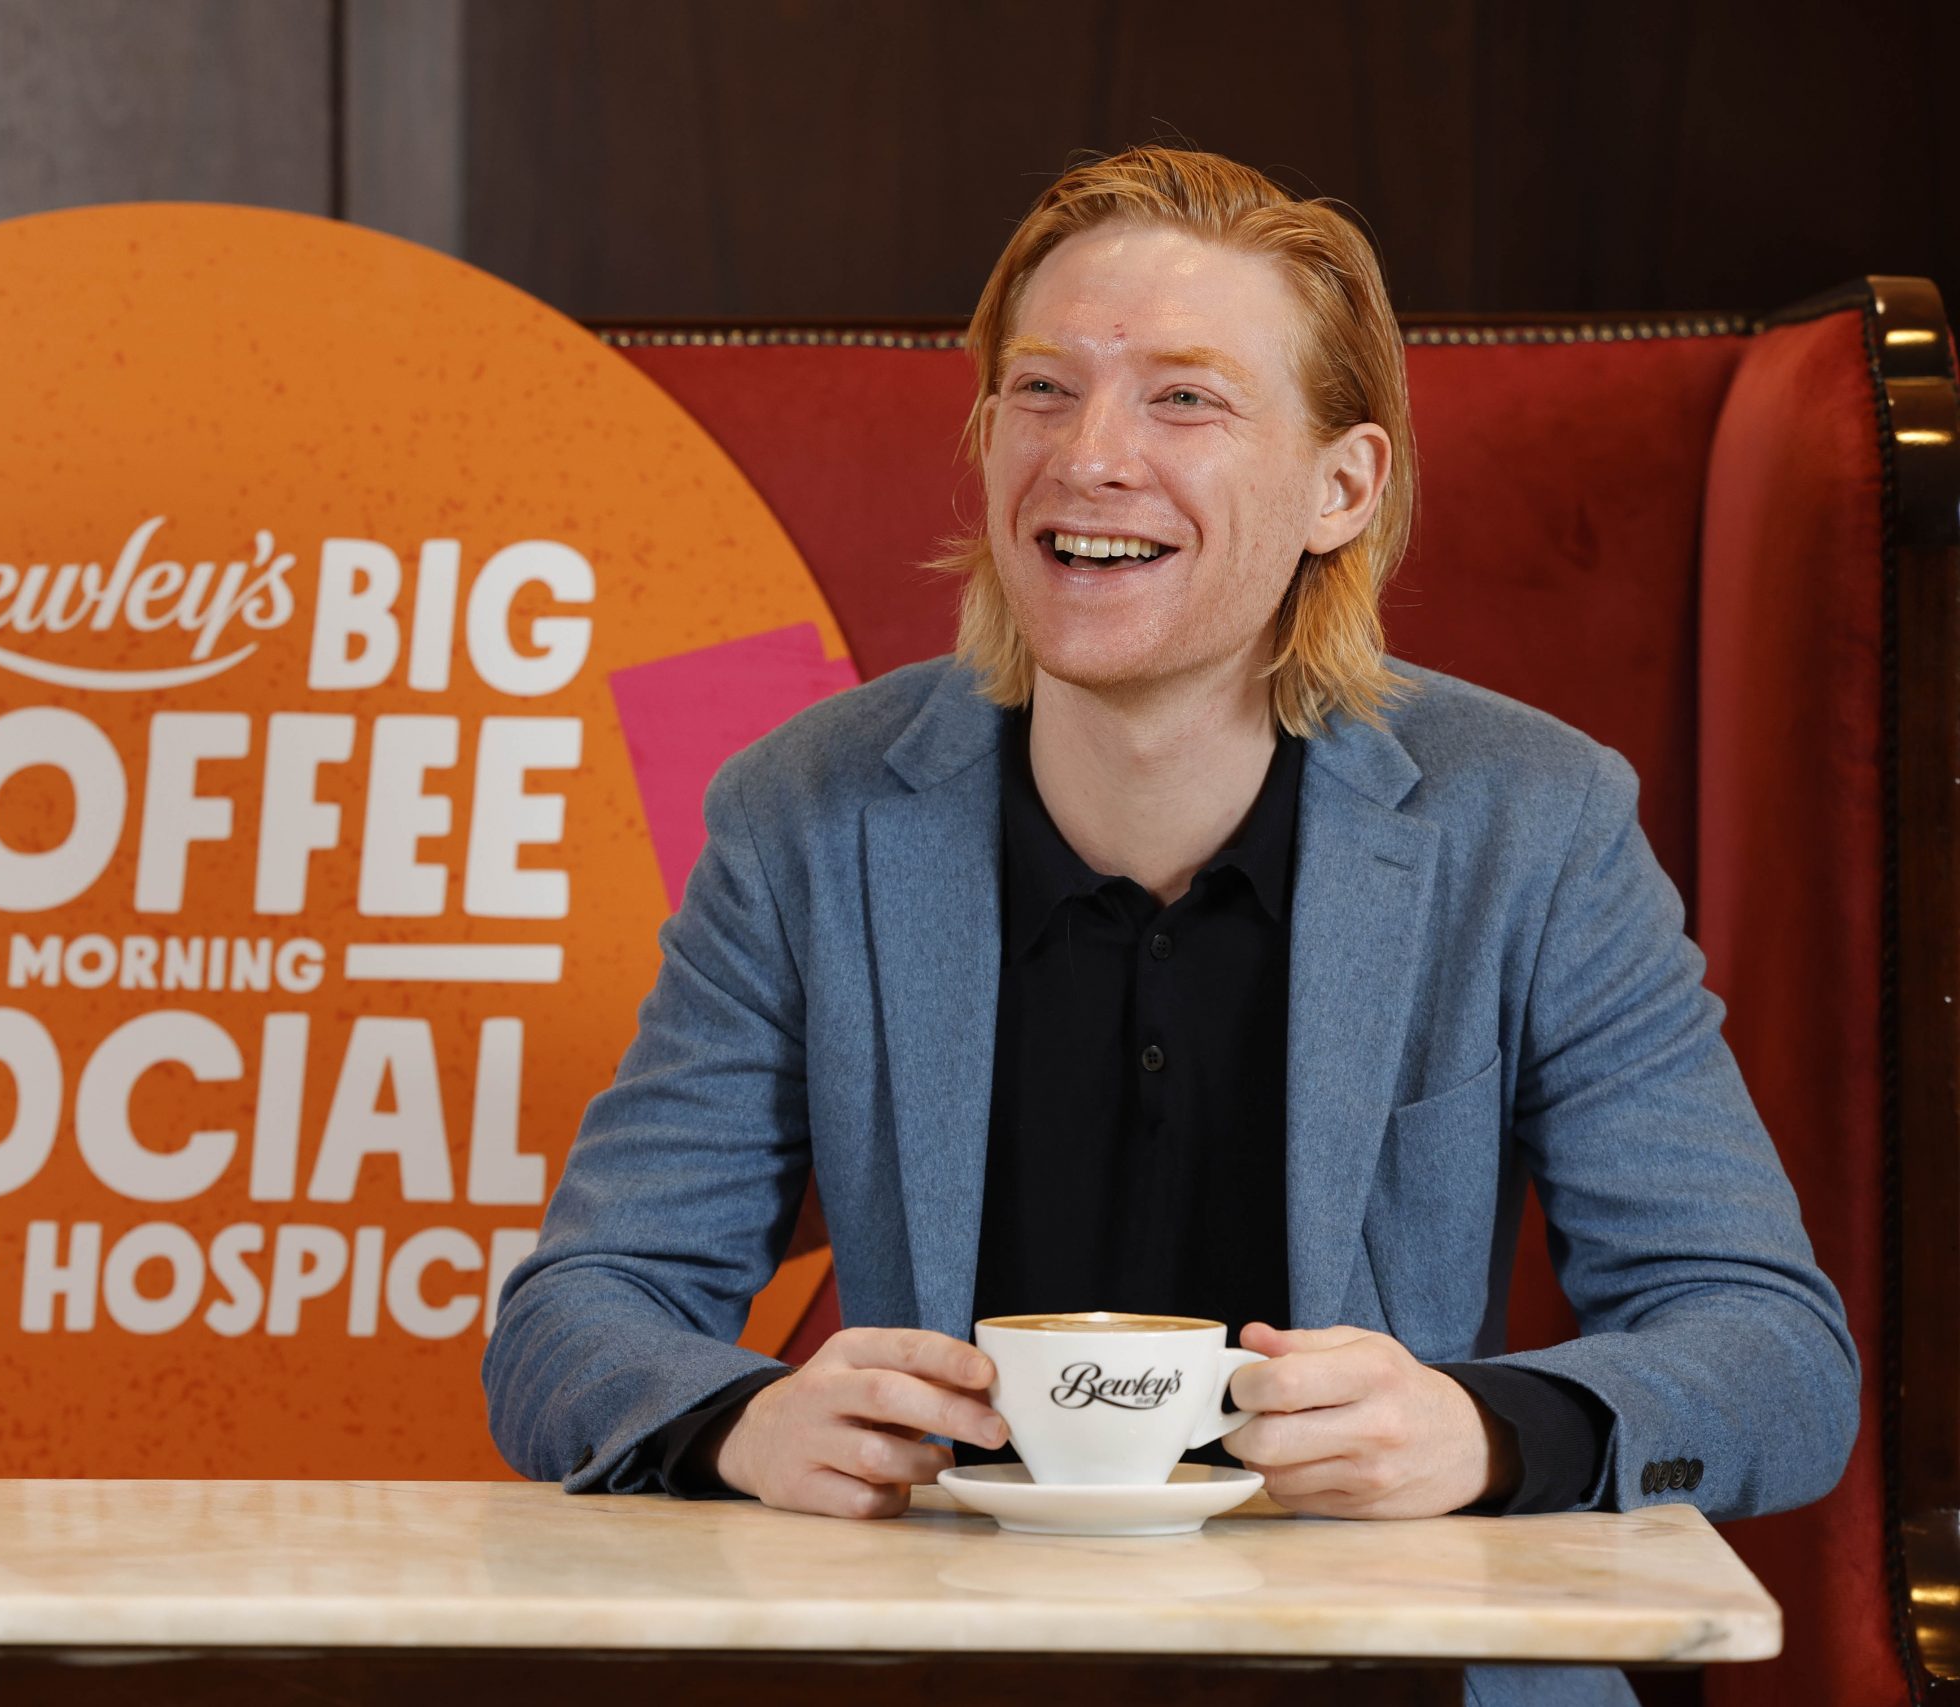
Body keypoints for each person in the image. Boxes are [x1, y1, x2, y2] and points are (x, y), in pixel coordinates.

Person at [482, 146, 1857, 1705]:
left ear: (1344, 488)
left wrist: (1479, 1431)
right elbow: (571, 1322)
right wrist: (744, 1422)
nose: (1090, 458)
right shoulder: (805, 812)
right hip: (954, 1679)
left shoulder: (1533, 823)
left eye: (1185, 399)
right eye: (1044, 390)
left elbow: (1774, 1355)